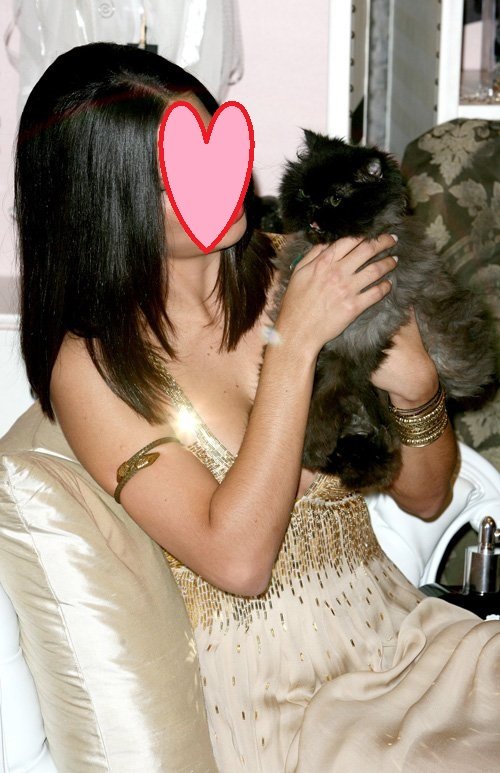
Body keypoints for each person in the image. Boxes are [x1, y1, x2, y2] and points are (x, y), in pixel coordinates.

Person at [16, 42, 500, 772]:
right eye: (179, 172)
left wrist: (418, 386)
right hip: (282, 700)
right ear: (105, 207)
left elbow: (428, 498)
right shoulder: (92, 367)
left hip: (408, 636)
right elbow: (238, 561)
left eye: (217, 142)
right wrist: (294, 346)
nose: (222, 179)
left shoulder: (302, 264)